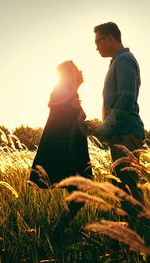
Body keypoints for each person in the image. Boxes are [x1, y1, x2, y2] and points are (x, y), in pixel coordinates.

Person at [29, 60, 92, 237]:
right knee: (80, 194)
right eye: (75, 69)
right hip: (66, 151)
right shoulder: (60, 92)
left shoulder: (68, 93)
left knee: (79, 194)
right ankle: (56, 235)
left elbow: (72, 117)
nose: (80, 71)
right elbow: (64, 108)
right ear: (68, 74)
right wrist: (76, 86)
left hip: (73, 148)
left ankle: (57, 234)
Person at [88, 22, 145, 217]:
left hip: (126, 133)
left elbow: (127, 96)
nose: (96, 47)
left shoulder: (124, 60)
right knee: (123, 188)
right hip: (120, 133)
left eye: (98, 41)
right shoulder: (118, 61)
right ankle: (129, 239)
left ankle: (144, 234)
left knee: (130, 188)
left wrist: (106, 126)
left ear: (110, 38)